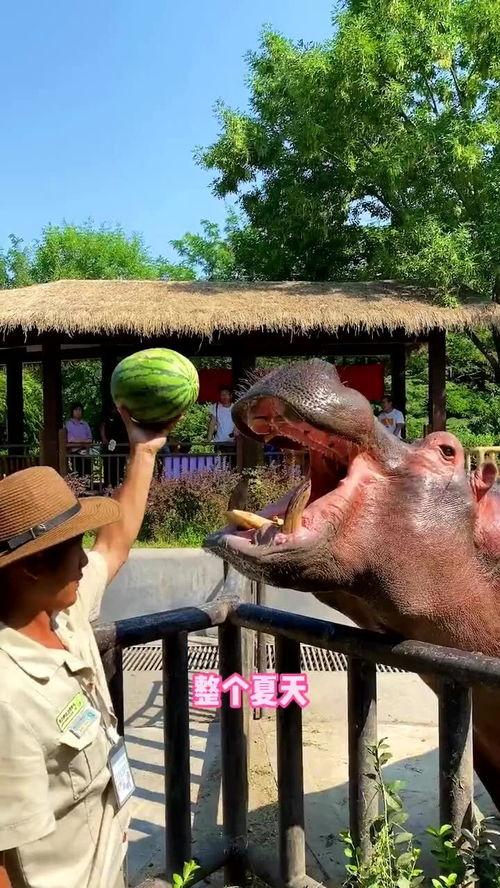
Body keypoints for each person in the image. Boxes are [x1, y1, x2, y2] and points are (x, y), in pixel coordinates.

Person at [0, 408, 170, 888]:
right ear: (30, 567)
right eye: (73, 548)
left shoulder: (62, 610)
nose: (84, 560)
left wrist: (143, 450)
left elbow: (113, 544)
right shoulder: (7, 693)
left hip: (107, 867)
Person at [100, 406, 129, 488]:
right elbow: (102, 428)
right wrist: (104, 439)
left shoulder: (122, 419)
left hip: (120, 448)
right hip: (109, 448)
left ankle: (117, 485)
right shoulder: (106, 418)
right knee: (108, 467)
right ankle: (108, 486)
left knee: (119, 468)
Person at [65, 403, 93, 476]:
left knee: (87, 474)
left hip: (86, 452)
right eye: (76, 410)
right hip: (75, 452)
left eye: (80, 410)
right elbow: (70, 439)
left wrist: (80, 442)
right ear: (72, 411)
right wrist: (84, 441)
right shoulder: (69, 424)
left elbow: (90, 439)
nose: (78, 412)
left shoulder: (85, 424)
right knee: (77, 474)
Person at [207, 387, 236, 454]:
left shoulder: (235, 407)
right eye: (222, 395)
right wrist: (209, 439)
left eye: (226, 394)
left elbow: (238, 423)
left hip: (232, 442)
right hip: (219, 442)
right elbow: (212, 423)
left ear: (230, 396)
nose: (224, 397)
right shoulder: (216, 406)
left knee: (231, 459)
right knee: (219, 459)